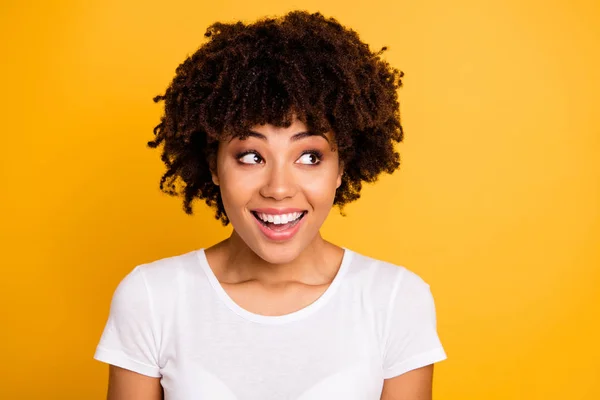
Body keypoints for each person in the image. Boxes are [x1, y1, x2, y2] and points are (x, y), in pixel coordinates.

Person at [93, 10, 447, 400]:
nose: (279, 188)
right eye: (250, 156)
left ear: (341, 167)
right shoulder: (151, 297)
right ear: (214, 165)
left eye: (309, 156)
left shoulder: (395, 299)